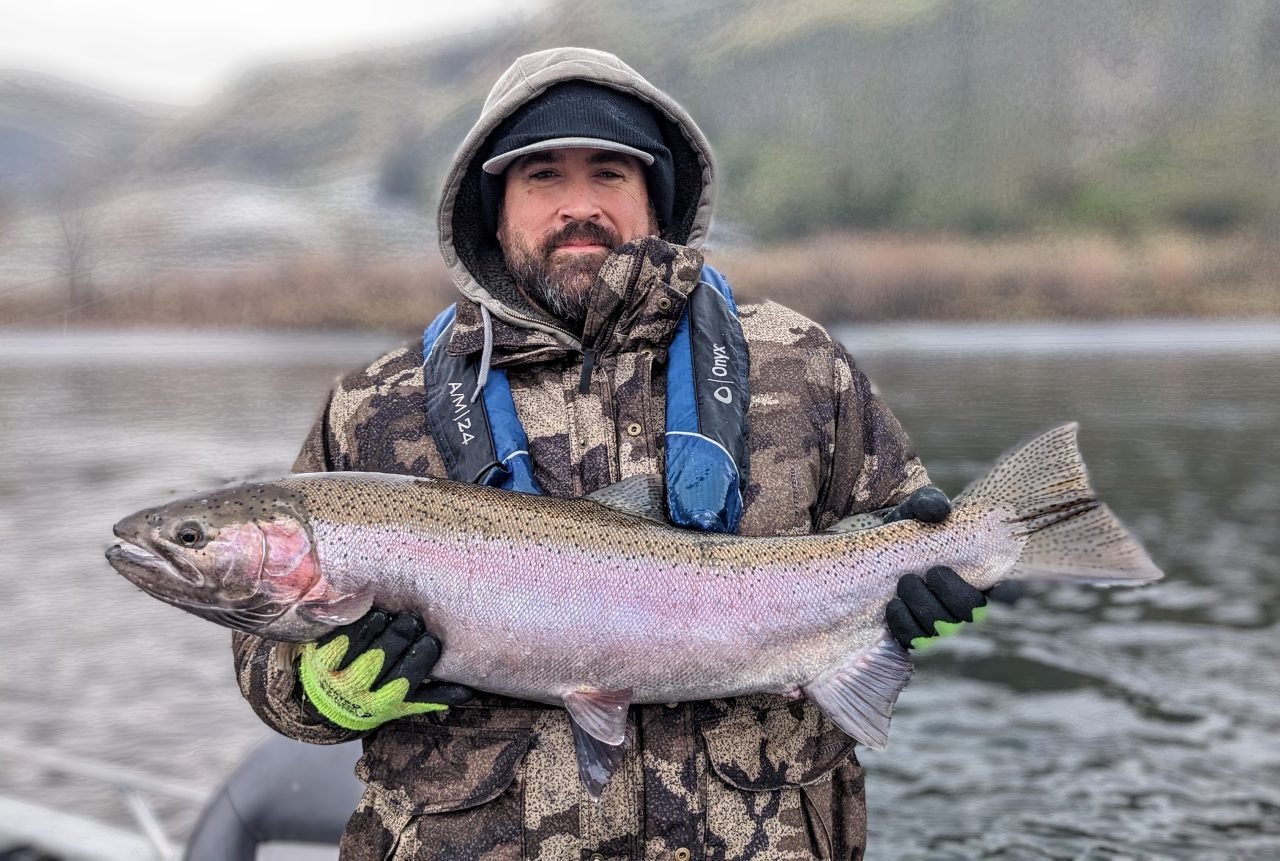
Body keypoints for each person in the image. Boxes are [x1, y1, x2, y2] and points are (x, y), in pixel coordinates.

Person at [233, 47, 986, 860]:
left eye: (610, 175)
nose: (579, 206)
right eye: (543, 177)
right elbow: (263, 670)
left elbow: (905, 524)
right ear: (493, 209)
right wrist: (321, 694)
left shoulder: (799, 361)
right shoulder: (375, 405)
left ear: (656, 201)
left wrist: (930, 595)